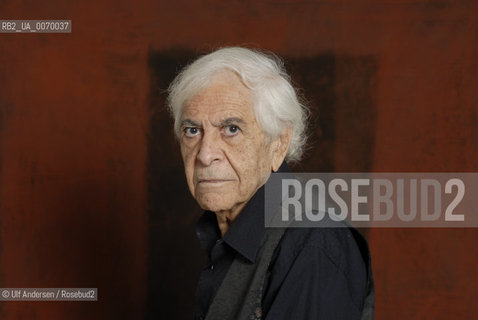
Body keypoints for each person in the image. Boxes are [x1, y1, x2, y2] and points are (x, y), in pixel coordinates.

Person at [166, 47, 374, 320]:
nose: (205, 154)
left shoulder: (312, 244)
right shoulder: (227, 231)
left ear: (278, 145)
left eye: (231, 129)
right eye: (192, 131)